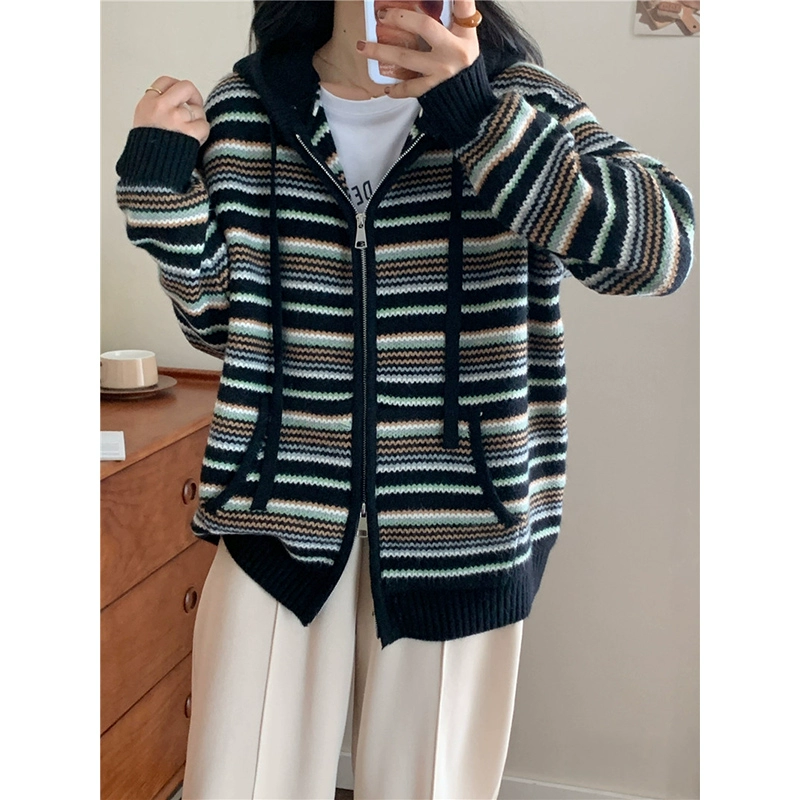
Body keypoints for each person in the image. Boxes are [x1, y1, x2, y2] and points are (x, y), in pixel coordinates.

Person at [114, 1, 695, 797]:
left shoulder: (520, 99)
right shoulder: (249, 108)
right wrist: (163, 198)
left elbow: (662, 251)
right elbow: (225, 328)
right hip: (275, 517)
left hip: (463, 525)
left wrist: (480, 120)